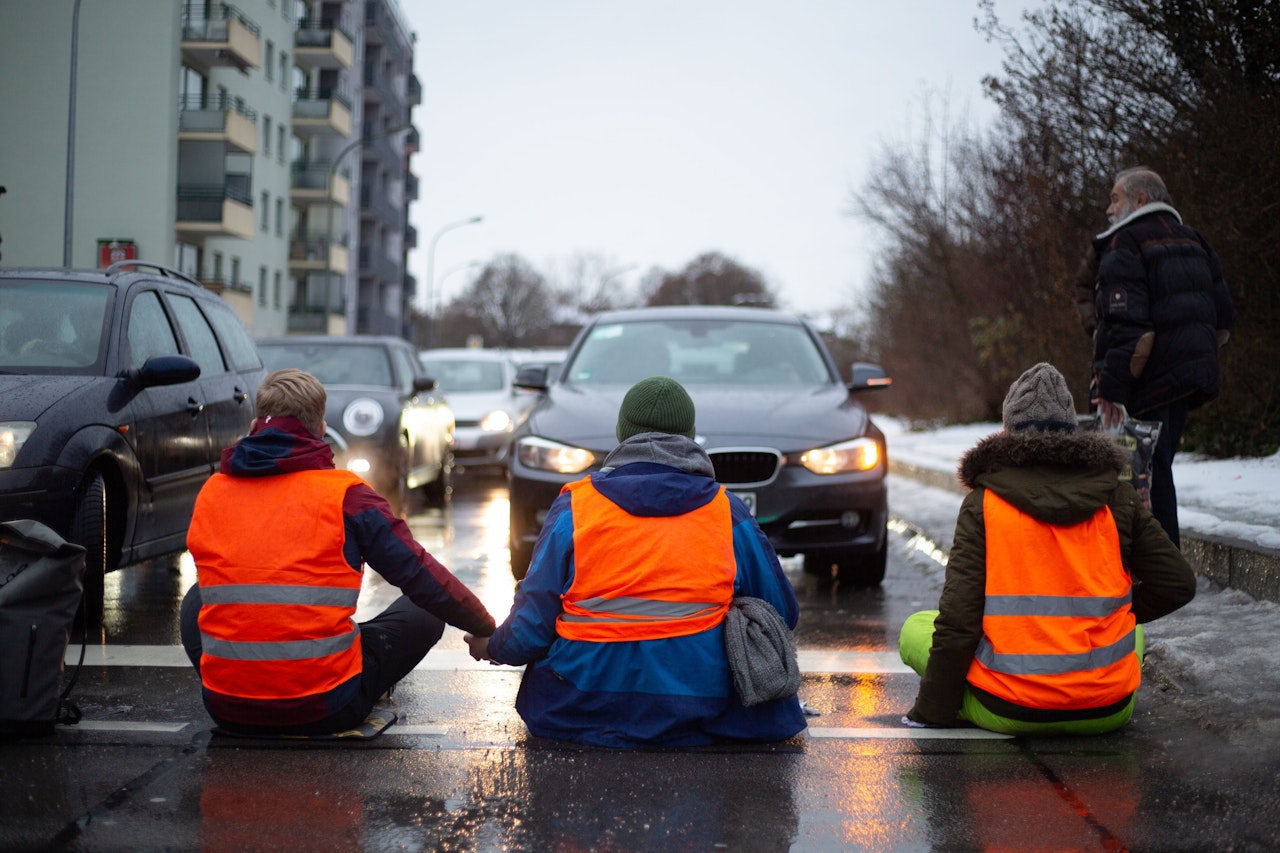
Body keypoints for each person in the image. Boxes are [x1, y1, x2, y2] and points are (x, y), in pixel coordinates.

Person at [464, 376, 807, 748]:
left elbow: (531, 629)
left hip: (578, 707)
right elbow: (781, 613)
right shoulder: (726, 511)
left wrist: (492, 646)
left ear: (622, 434)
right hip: (702, 707)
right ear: (690, 435)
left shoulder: (575, 508)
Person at [180, 368, 496, 736]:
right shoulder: (346, 495)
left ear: (255, 424)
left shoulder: (213, 492)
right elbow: (421, 574)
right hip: (327, 706)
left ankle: (241, 687)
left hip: (226, 709)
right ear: (319, 427)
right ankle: (359, 682)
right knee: (424, 609)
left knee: (195, 600)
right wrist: (486, 630)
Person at [898, 362, 1197, 736]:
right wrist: (1108, 615)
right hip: (1107, 709)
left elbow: (959, 622)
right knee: (1131, 633)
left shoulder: (985, 502)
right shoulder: (1115, 496)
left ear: (1008, 432)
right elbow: (1178, 583)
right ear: (1072, 432)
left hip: (1011, 706)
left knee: (916, 628)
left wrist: (931, 712)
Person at [1085, 167, 1237, 547]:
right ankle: (1163, 567)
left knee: (1142, 473)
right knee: (1159, 465)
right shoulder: (1194, 239)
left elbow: (1127, 328)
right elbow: (1224, 320)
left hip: (1145, 379)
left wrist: (1109, 388)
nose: (1108, 209)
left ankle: (1159, 569)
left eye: (1115, 198)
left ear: (1140, 200)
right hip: (1187, 379)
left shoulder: (1127, 243)